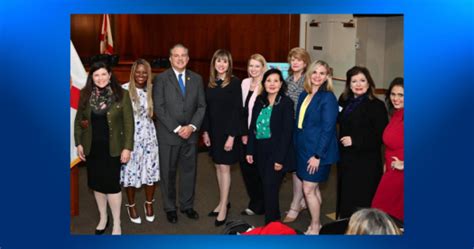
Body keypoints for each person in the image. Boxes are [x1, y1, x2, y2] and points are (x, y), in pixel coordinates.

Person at [74, 61, 134, 235]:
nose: (100, 78)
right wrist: (78, 143)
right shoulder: (85, 95)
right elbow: (79, 121)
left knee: (112, 186)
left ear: (110, 75)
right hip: (92, 149)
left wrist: (127, 148)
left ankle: (117, 223)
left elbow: (129, 124)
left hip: (114, 149)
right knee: (97, 185)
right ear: (91, 77)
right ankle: (103, 218)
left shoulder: (121, 95)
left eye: (103, 74)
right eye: (96, 75)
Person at [153, 44, 206, 224]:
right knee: (168, 173)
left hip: (191, 135)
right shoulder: (161, 79)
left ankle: (187, 205)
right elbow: (159, 108)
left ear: (188, 58)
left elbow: (201, 106)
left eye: (184, 55)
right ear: (170, 58)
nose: (180, 59)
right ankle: (170, 208)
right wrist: (177, 128)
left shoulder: (197, 78)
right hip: (169, 135)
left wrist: (191, 126)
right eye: (176, 56)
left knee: (189, 171)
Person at [336, 66, 388, 219]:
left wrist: (355, 140)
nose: (358, 84)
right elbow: (338, 119)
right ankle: (346, 223)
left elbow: (380, 136)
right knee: (346, 194)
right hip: (346, 158)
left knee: (362, 198)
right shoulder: (344, 100)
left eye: (362, 80)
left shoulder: (377, 106)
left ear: (369, 83)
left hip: (366, 161)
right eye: (354, 81)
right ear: (349, 84)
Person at [294, 60, 339, 235]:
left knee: (308, 189)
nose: (318, 76)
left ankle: (315, 225)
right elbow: (300, 124)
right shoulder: (304, 94)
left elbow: (328, 129)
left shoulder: (327, 97)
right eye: (315, 72)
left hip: (318, 151)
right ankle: (317, 222)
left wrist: (318, 155)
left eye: (322, 73)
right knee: (313, 188)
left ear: (327, 76)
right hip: (303, 148)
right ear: (309, 74)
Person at [246, 68, 295, 224]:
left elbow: (287, 133)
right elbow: (252, 128)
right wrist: (250, 150)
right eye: (268, 81)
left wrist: (280, 159)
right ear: (264, 83)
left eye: (276, 81)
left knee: (270, 187)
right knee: (266, 186)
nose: (272, 84)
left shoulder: (286, 103)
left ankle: (272, 223)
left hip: (277, 153)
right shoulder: (260, 101)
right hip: (260, 151)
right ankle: (272, 220)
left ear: (281, 84)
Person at [202, 49, 243, 226]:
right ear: (214, 63)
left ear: (229, 64)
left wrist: (232, 136)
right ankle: (222, 202)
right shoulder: (211, 83)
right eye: (218, 61)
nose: (221, 64)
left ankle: (224, 208)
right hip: (214, 132)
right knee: (218, 167)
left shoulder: (234, 83)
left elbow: (237, 112)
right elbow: (206, 110)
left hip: (228, 134)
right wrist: (205, 132)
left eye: (225, 61)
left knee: (225, 168)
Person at [120, 59, 160, 224]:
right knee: (130, 174)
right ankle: (131, 205)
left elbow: (159, 114)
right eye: (138, 71)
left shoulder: (153, 90)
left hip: (149, 137)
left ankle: (149, 203)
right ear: (133, 72)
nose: (141, 75)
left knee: (150, 172)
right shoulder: (123, 90)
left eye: (144, 72)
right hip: (131, 139)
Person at [282, 47, 312, 223]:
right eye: (292, 59)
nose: (295, 62)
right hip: (288, 127)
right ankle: (299, 200)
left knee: (298, 167)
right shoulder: (286, 79)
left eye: (299, 59)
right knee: (293, 167)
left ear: (305, 62)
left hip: (302, 129)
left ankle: (296, 203)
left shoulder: (309, 81)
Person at [372, 77, 404, 221]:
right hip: (391, 170)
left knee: (384, 213)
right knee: (384, 215)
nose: (396, 99)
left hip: (401, 173)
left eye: (401, 95)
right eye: (393, 94)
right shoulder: (397, 113)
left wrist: (404, 164)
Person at [239, 54, 267, 216]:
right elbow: (240, 109)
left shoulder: (266, 85)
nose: (254, 69)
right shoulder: (244, 83)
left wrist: (251, 134)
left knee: (259, 171)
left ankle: (263, 203)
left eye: (257, 66)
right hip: (243, 134)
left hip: (258, 136)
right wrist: (243, 133)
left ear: (263, 67)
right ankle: (255, 202)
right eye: (251, 66)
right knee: (247, 170)